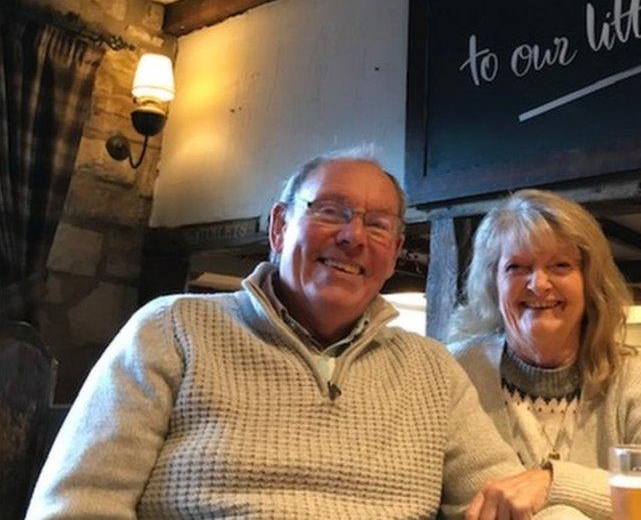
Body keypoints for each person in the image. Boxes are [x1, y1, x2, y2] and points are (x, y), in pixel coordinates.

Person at [27, 152, 536, 518]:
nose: (352, 236)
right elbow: (76, 504)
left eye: (377, 224)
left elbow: (509, 495)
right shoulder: (172, 328)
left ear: (394, 252)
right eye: (330, 210)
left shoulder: (432, 370)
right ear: (278, 228)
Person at [450, 189, 641, 519]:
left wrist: (555, 483)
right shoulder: (459, 373)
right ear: (492, 283)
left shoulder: (633, 377)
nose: (538, 284)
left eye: (560, 265)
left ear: (590, 281)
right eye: (517, 267)